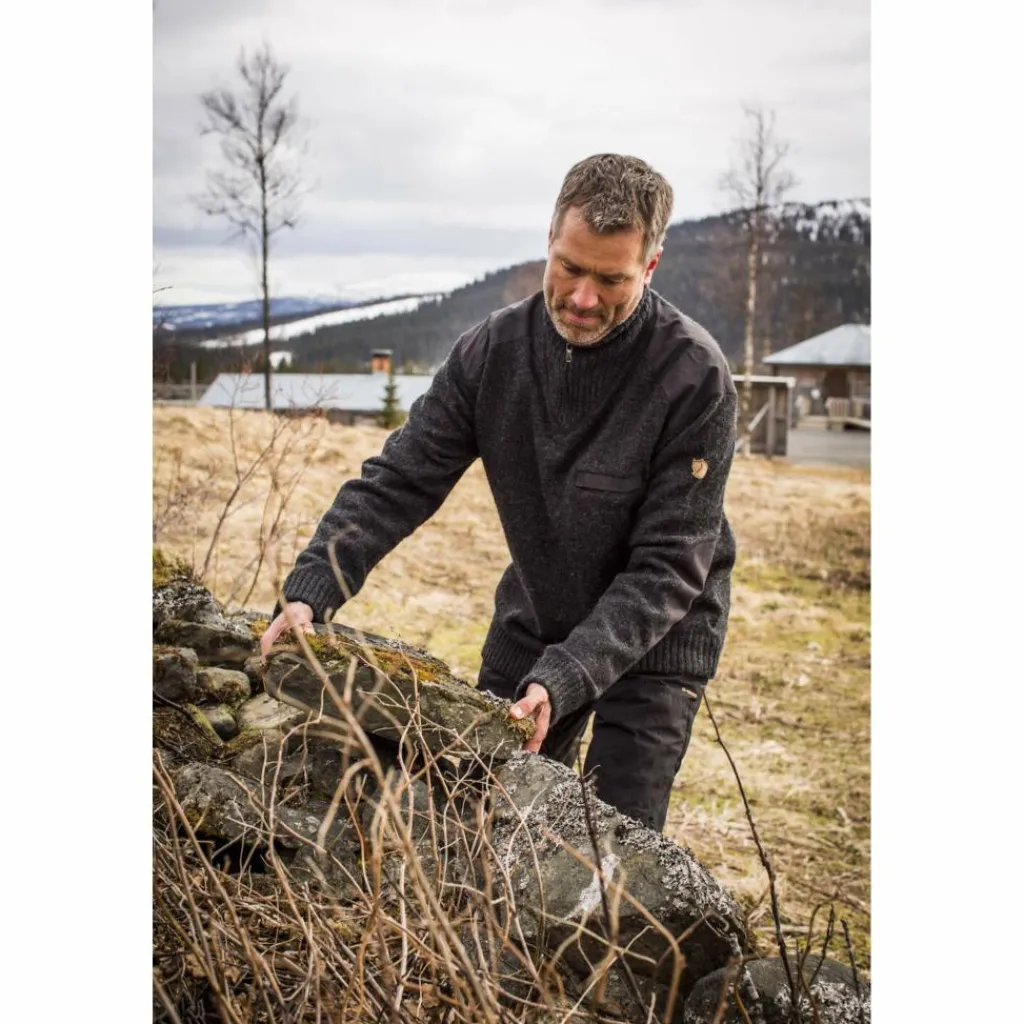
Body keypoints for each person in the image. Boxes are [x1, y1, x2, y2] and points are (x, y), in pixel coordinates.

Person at [260, 154, 737, 833]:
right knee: (479, 816)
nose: (582, 298)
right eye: (569, 268)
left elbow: (668, 567)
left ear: (650, 267)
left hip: (657, 637)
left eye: (611, 280)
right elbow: (400, 479)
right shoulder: (493, 354)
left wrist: (566, 675)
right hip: (540, 608)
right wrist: (314, 587)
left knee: (607, 844)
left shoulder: (694, 377)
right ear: (550, 241)